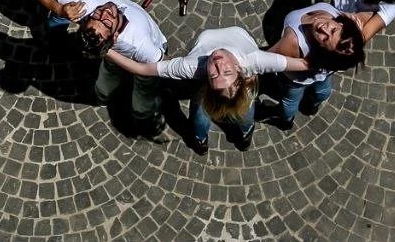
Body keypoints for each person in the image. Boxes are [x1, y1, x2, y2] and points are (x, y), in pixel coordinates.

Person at [0, 0, 172, 143]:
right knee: (143, 89)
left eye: (98, 16)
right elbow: (166, 65)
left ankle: (102, 97)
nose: (105, 12)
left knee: (109, 73)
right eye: (104, 20)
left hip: (114, 52)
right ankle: (139, 114)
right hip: (135, 56)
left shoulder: (85, 9)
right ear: (114, 37)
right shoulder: (142, 45)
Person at [104, 26, 312, 154]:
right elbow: (304, 64)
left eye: (214, 75)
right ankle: (244, 136)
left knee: (200, 112)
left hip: (222, 89)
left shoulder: (192, 67)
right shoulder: (254, 61)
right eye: (227, 72)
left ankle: (200, 141)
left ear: (208, 84)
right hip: (242, 88)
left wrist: (107, 50)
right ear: (241, 74)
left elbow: (143, 68)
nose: (219, 65)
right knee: (245, 109)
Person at [260, 3, 366, 130]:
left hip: (295, 79)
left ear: (322, 51)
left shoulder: (292, 42)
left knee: (291, 100)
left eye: (325, 39)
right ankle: (312, 106)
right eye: (333, 30)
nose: (324, 29)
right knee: (323, 88)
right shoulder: (346, 37)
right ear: (341, 24)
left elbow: (266, 60)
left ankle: (285, 121)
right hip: (321, 74)